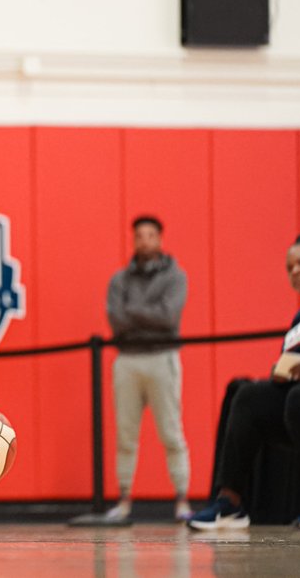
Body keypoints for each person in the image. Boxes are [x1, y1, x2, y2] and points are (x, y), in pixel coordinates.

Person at [188, 234, 300, 531]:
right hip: (299, 403)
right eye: (289, 267)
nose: (295, 271)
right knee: (248, 396)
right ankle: (230, 503)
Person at [104, 215, 191, 522]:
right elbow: (116, 319)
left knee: (171, 431)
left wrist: (134, 314)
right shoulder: (119, 279)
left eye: (150, 235)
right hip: (127, 359)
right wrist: (148, 315)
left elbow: (169, 318)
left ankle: (182, 500)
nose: (145, 241)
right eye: (139, 235)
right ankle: (125, 500)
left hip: (162, 358)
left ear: (160, 238)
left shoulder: (175, 276)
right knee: (126, 434)